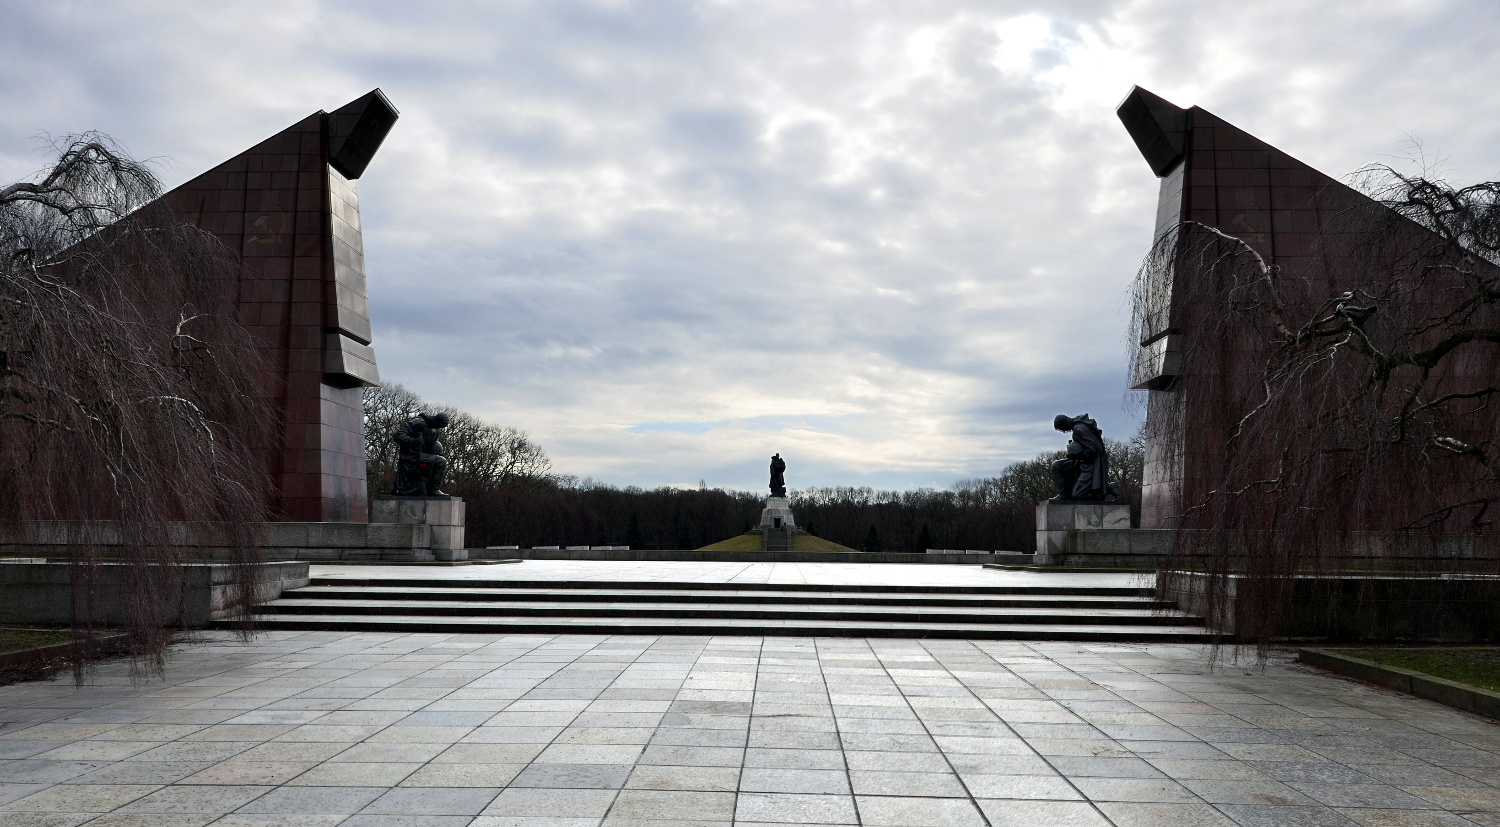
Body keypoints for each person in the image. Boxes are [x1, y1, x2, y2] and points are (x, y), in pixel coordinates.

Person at [1049, 413, 1121, 502]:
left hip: (1089, 464)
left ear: (1065, 424)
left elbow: (1092, 449)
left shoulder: (1079, 429)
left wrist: (1076, 455)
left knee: (1077, 495)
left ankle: (1107, 489)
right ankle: (1063, 494)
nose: (1064, 431)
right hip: (1082, 460)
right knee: (1057, 465)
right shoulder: (1080, 425)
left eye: (1063, 429)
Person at [392, 411, 451, 496]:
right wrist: (413, 441)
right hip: (411, 456)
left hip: (423, 455)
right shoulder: (418, 422)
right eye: (438, 426)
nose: (438, 429)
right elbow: (397, 435)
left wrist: (438, 452)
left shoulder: (435, 431)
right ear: (436, 421)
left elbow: (431, 445)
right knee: (441, 461)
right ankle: (434, 489)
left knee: (440, 459)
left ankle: (432, 489)